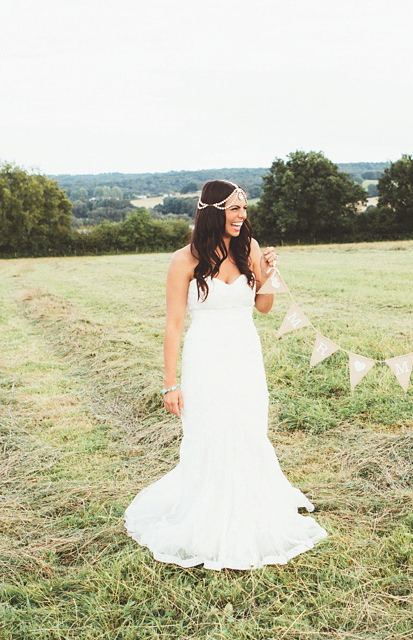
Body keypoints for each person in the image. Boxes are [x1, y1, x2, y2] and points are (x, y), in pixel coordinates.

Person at [123, 180, 327, 570]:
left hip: (245, 357)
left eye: (244, 209)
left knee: (249, 429)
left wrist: (268, 274)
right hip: (206, 360)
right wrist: (171, 383)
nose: (242, 217)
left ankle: (252, 505)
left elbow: (263, 307)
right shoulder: (184, 260)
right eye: (235, 209)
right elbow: (173, 325)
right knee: (210, 432)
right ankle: (207, 514)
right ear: (213, 210)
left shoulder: (247, 248)